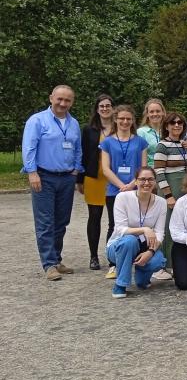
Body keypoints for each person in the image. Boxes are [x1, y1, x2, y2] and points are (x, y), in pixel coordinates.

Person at [22, 85, 84, 280]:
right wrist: (32, 172)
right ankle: (49, 264)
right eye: (59, 99)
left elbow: (77, 148)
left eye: (67, 100)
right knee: (45, 222)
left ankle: (56, 259)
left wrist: (76, 169)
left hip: (66, 178)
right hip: (44, 177)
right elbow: (29, 147)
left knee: (62, 221)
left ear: (72, 102)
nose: (63, 103)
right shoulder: (37, 120)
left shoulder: (73, 123)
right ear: (51, 98)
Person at [100, 104, 148, 279]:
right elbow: (105, 169)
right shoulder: (107, 142)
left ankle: (139, 259)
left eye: (128, 118)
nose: (125, 122)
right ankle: (113, 263)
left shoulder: (140, 142)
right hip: (114, 191)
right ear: (115, 119)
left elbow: (143, 167)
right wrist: (122, 186)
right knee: (114, 226)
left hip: (138, 189)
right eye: (121, 118)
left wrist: (133, 184)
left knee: (138, 223)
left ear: (133, 120)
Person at [106, 167, 167, 298]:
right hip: (118, 246)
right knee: (130, 240)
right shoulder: (122, 197)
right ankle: (121, 284)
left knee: (158, 260)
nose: (146, 183)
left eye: (150, 179)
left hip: (145, 247)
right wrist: (145, 229)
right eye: (142, 179)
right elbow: (121, 229)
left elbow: (160, 234)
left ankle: (142, 276)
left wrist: (150, 252)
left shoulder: (161, 202)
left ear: (155, 182)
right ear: (136, 181)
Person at [152, 112, 187, 281]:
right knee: (167, 227)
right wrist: (168, 195)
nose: (177, 125)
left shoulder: (183, 145)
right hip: (170, 188)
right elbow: (159, 172)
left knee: (181, 226)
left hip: (183, 187)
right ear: (166, 126)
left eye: (180, 123)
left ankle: (177, 263)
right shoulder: (162, 145)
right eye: (173, 123)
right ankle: (161, 265)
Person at [78, 94, 114, 271]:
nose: (105, 109)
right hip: (94, 177)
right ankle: (93, 256)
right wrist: (79, 179)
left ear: (113, 108)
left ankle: (112, 256)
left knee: (115, 219)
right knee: (94, 217)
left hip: (114, 178)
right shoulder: (88, 129)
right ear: (97, 109)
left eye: (108, 106)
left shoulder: (120, 127)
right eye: (102, 106)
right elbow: (82, 154)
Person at [137, 98, 165, 168]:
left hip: (166, 170)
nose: (155, 114)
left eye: (158, 111)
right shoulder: (141, 132)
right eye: (151, 112)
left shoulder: (167, 131)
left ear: (163, 113)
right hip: (149, 171)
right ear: (147, 114)